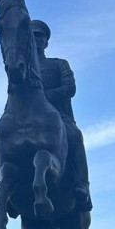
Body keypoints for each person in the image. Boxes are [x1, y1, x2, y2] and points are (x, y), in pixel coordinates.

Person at [31, 19, 90, 211]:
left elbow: (69, 88)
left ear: (46, 42)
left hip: (60, 119)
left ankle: (82, 185)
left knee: (75, 135)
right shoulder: (22, 68)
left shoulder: (59, 64)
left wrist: (43, 97)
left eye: (39, 36)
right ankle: (0, 194)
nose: (35, 40)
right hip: (29, 121)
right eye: (31, 36)